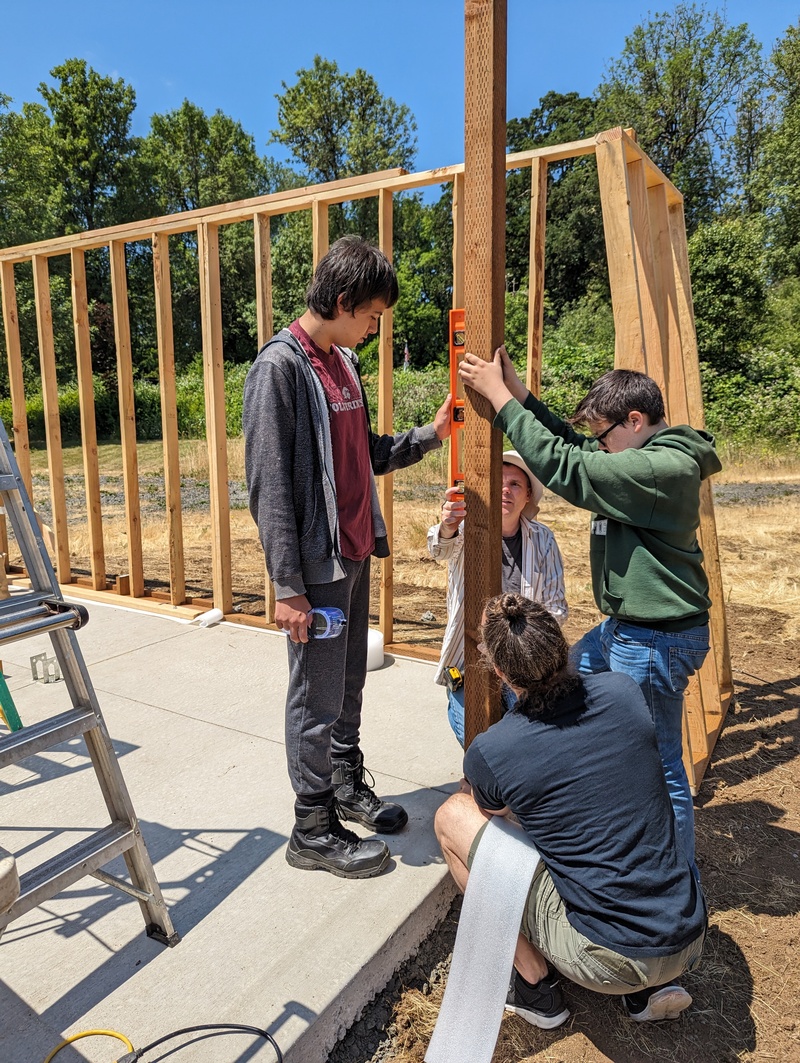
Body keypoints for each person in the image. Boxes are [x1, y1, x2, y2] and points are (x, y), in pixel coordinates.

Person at [458, 349, 721, 874]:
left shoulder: (660, 468)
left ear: (636, 421)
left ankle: (673, 874)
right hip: (628, 629)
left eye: (605, 435)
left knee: (657, 761)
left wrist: (502, 400)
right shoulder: (641, 456)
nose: (599, 445)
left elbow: (568, 465)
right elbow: (577, 447)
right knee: (562, 676)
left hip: (653, 640)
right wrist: (526, 398)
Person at [243, 236, 451, 880]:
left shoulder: (341, 364)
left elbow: (366, 452)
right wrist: (286, 584)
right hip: (313, 569)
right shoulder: (281, 367)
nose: (373, 329)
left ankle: (342, 782)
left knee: (347, 685)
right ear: (342, 301)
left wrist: (432, 435)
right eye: (371, 317)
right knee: (314, 693)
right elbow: (268, 482)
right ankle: (312, 826)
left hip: (352, 554)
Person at [434, 593, 707, 1029]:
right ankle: (645, 992)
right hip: (689, 934)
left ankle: (535, 988)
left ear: (500, 673)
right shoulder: (622, 691)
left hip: (609, 961)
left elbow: (496, 817)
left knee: (452, 817)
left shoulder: (493, 749)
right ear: (564, 648)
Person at [427, 451, 567, 745]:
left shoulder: (543, 539)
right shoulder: (467, 530)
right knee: (477, 739)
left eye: (515, 484)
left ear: (528, 496)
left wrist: (521, 640)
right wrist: (448, 525)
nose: (505, 490)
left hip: (523, 660)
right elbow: (438, 550)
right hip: (471, 658)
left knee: (531, 739)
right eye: (499, 482)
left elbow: (556, 609)